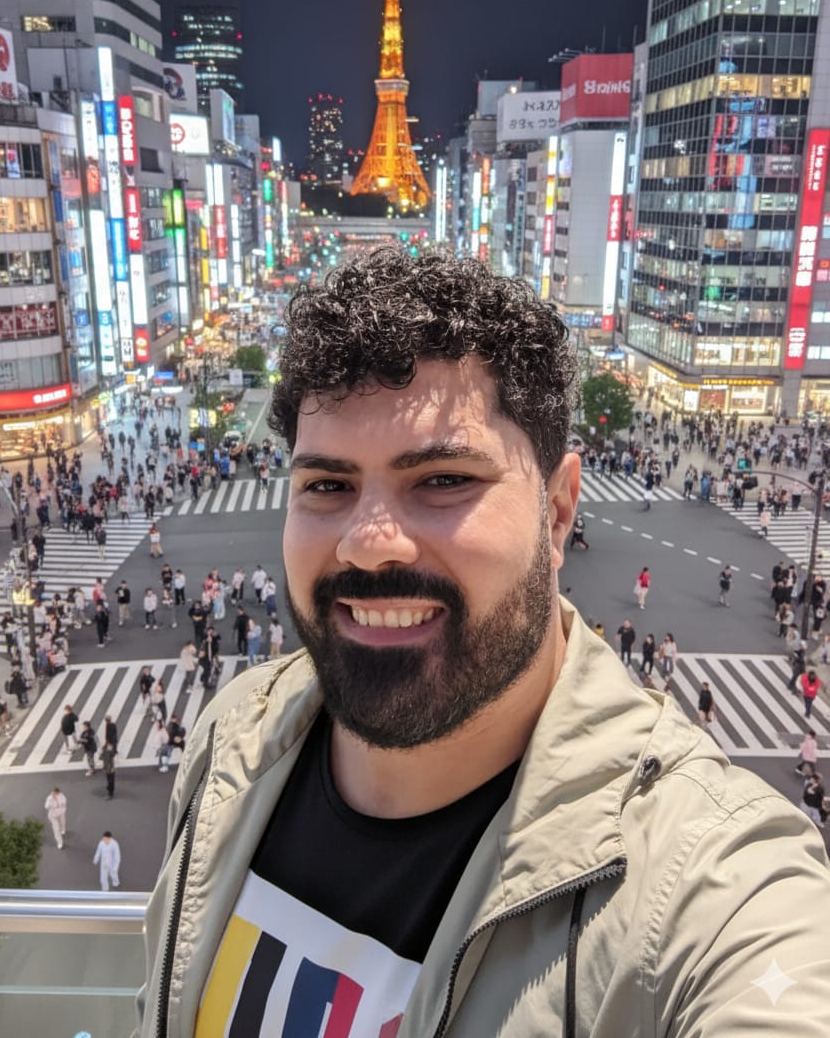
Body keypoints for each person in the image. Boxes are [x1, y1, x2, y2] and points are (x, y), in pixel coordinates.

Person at [135, 249, 830, 1037]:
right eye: (327, 485)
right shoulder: (233, 741)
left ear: (560, 510)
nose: (370, 544)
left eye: (443, 480)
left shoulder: (706, 880)